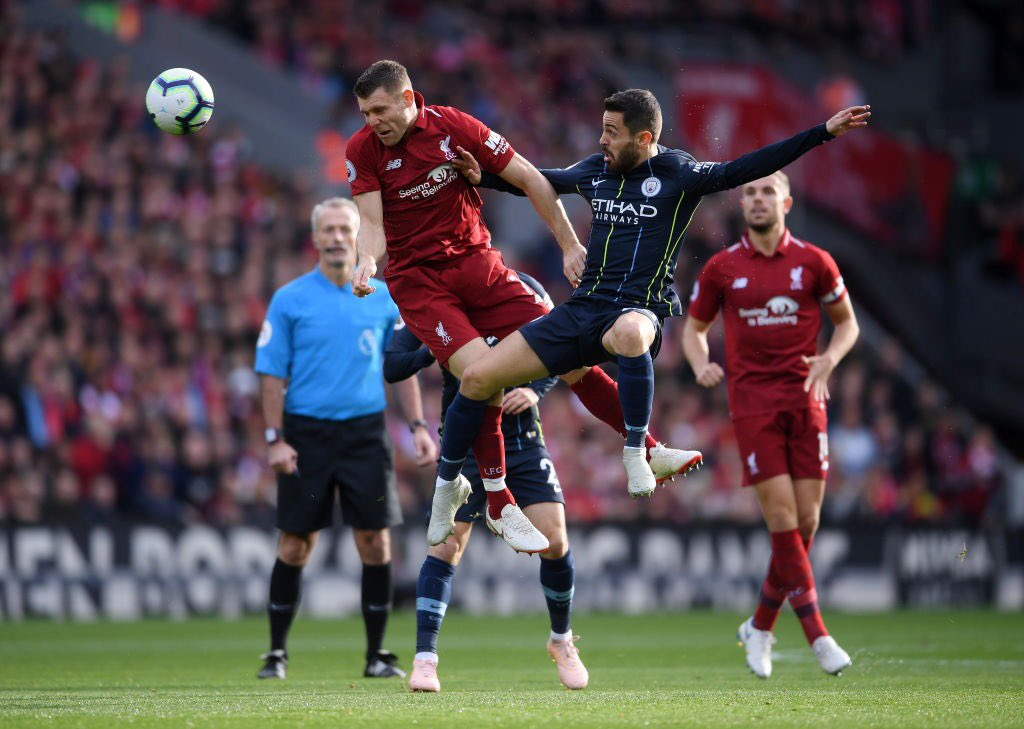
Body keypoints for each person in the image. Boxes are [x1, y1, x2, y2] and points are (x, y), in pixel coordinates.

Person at [346, 60, 701, 555]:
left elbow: (532, 178)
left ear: (409, 99)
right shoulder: (361, 150)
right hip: (419, 282)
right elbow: (371, 223)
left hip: (479, 266)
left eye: (379, 110)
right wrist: (366, 260)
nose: (372, 122)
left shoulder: (454, 127)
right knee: (482, 373)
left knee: (574, 362)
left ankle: (647, 448)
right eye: (365, 113)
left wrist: (570, 244)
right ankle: (499, 500)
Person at [446, 90, 869, 503]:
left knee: (630, 334)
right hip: (582, 308)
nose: (601, 140)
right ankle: (447, 489)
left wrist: (822, 133)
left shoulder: (677, 174)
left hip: (637, 309)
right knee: (478, 378)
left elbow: (743, 168)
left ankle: (635, 453)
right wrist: (482, 176)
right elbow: (539, 182)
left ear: (644, 138)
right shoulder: (597, 169)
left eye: (611, 132)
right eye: (602, 130)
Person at [682, 172, 860, 678]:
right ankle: (818, 636)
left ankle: (760, 626)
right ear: (743, 203)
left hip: (807, 400)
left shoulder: (814, 262)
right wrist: (699, 366)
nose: (757, 200)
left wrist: (830, 358)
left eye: (766, 192)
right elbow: (695, 331)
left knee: (806, 524)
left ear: (786, 201)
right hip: (753, 403)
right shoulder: (722, 268)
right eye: (750, 193)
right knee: (782, 518)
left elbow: (847, 323)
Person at [253, 197, 438, 681]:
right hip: (307, 434)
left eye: (345, 230)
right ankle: (275, 653)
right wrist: (275, 438)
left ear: (359, 239)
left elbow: (401, 368)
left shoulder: (382, 297)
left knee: (376, 542)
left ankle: (377, 656)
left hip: (365, 435)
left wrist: (418, 427)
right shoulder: (290, 299)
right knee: (296, 544)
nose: (336, 237)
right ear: (315, 238)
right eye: (328, 230)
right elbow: (270, 375)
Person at [383, 272, 588, 693]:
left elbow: (564, 347)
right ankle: (425, 659)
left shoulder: (523, 287)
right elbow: (392, 364)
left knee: (555, 540)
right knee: (445, 546)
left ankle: (562, 640)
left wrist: (536, 388)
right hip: (467, 443)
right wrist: (435, 345)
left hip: (522, 442)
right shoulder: (428, 300)